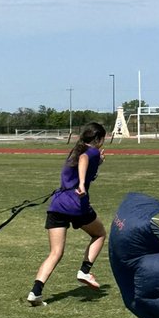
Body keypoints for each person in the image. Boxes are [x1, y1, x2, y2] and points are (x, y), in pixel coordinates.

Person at [28, 121, 107, 306]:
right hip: (76, 204)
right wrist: (81, 184)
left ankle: (35, 292)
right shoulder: (90, 152)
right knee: (100, 234)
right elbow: (84, 161)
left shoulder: (76, 150)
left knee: (55, 252)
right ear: (98, 139)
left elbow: (84, 164)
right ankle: (85, 271)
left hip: (57, 204)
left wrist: (99, 164)